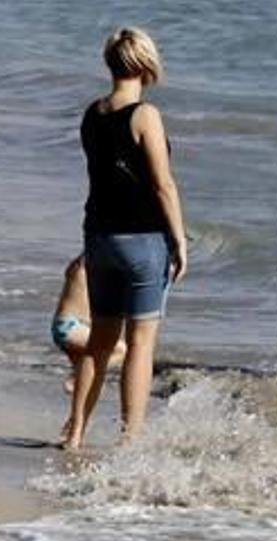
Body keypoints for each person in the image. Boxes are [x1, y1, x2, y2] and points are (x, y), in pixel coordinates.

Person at [61, 27, 187, 450]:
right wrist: (180, 239)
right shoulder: (145, 115)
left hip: (98, 237)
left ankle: (75, 432)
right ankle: (129, 439)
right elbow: (162, 185)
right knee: (139, 345)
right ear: (145, 63)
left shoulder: (92, 115)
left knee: (98, 343)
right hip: (142, 239)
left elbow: (105, 174)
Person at [51, 254, 125, 395]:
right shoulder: (87, 268)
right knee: (121, 350)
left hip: (63, 326)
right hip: (71, 327)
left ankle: (77, 413)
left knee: (87, 382)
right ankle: (74, 378)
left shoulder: (76, 268)